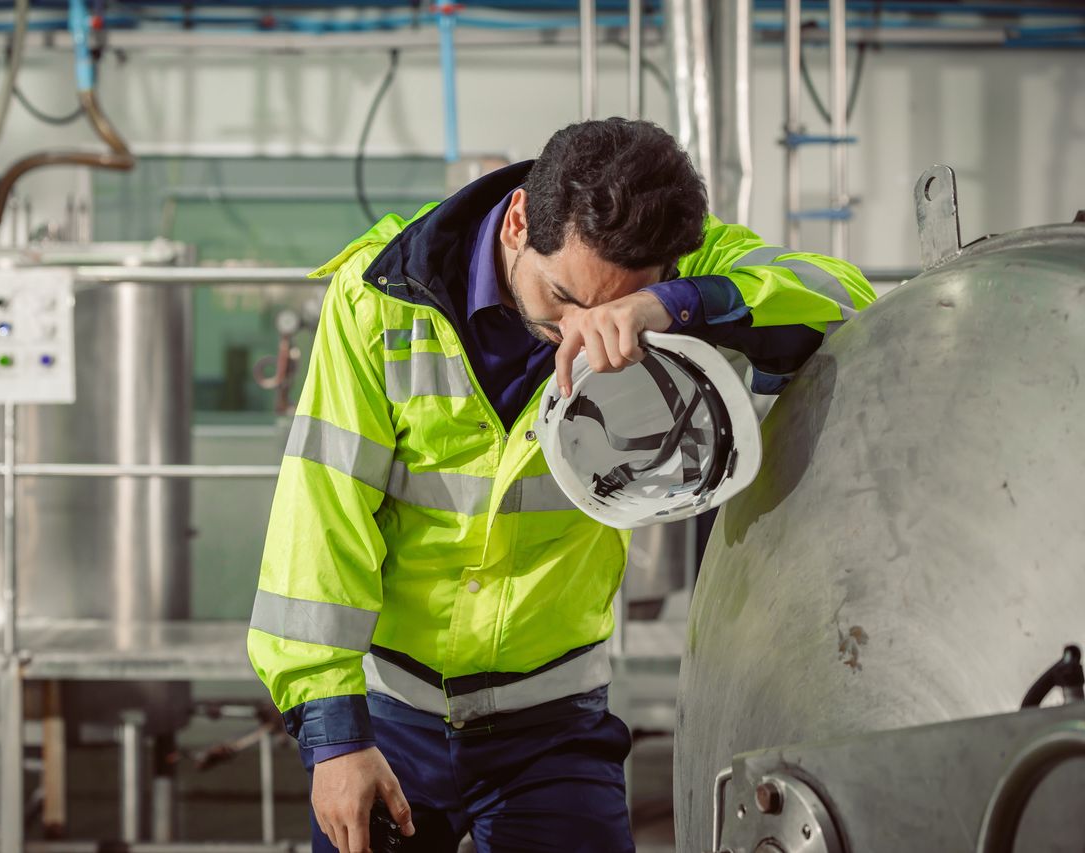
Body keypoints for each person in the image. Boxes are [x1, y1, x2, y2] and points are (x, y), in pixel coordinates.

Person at [247, 118, 875, 852]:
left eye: (607, 310)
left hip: (554, 724)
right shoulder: (381, 300)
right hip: (394, 719)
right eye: (564, 298)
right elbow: (322, 518)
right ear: (518, 221)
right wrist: (332, 738)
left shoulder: (674, 269)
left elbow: (847, 301)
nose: (581, 334)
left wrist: (670, 307)